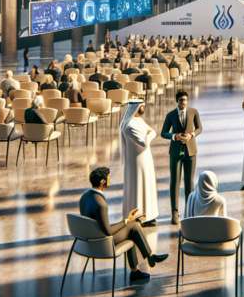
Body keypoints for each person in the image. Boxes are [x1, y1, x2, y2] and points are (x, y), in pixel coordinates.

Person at [79, 167, 168, 283]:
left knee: (132, 227)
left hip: (88, 241)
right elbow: (108, 232)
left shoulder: (85, 197)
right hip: (101, 243)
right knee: (133, 227)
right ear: (102, 182)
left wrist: (128, 220)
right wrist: (127, 221)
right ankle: (149, 258)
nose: (110, 179)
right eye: (108, 178)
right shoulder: (100, 203)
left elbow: (101, 225)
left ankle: (138, 268)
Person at [161, 90, 202, 224]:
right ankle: (175, 212)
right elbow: (163, 132)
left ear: (187, 100)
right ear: (177, 101)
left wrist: (191, 135)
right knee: (175, 182)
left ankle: (189, 211)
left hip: (191, 152)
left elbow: (199, 128)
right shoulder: (171, 115)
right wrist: (174, 136)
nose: (183, 102)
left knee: (189, 182)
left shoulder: (194, 112)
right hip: (175, 152)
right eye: (181, 100)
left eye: (185, 100)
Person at [119, 100, 159, 227]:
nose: (143, 108)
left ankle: (147, 214)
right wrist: (149, 134)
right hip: (137, 162)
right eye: (141, 106)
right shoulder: (130, 125)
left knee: (146, 185)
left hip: (144, 159)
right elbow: (143, 143)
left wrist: (149, 134)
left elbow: (152, 131)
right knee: (138, 186)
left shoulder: (138, 120)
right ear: (135, 108)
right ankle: (138, 216)